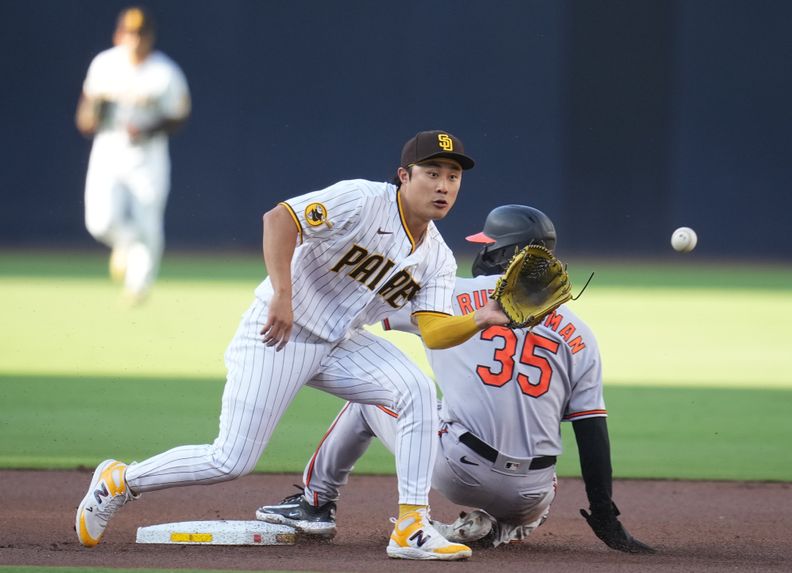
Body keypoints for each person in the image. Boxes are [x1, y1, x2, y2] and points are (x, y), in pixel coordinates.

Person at [75, 130, 516, 561]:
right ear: (404, 175)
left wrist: (481, 318)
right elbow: (279, 219)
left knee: (416, 389)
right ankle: (121, 480)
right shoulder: (363, 200)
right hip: (278, 333)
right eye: (432, 173)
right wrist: (282, 295)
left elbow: (434, 330)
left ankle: (411, 526)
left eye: (453, 177)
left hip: (340, 343)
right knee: (230, 460)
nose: (443, 185)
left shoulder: (437, 257)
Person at [254, 205, 655, 554]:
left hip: (459, 471)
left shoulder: (448, 295)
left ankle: (315, 502)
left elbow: (368, 314)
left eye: (487, 244)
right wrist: (604, 514)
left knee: (372, 394)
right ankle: (500, 525)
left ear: (502, 251)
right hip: (532, 495)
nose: (480, 250)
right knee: (517, 436)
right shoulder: (579, 331)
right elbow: (591, 429)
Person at [75, 6, 191, 304]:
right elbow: (85, 116)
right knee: (99, 221)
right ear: (118, 34)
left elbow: (179, 114)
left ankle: (138, 285)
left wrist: (150, 129)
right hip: (109, 149)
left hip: (147, 155)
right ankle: (125, 246)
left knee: (148, 221)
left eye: (140, 33)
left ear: (150, 37)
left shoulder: (164, 72)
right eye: (129, 32)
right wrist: (94, 113)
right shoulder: (104, 66)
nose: (134, 39)